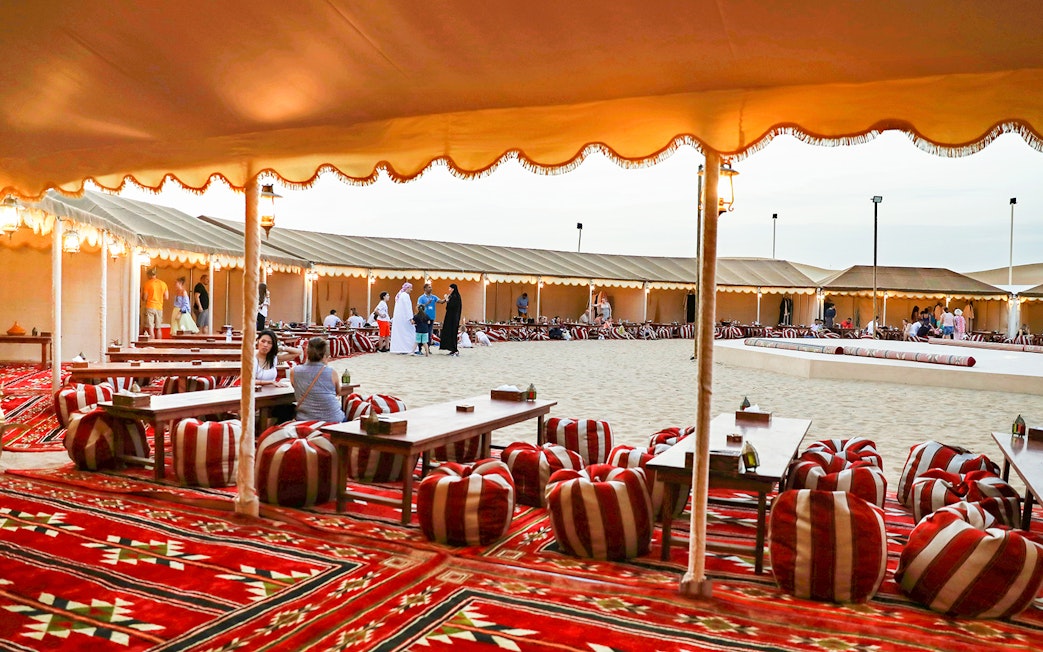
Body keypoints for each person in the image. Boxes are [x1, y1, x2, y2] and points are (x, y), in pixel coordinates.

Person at [289, 337, 345, 422]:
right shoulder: (331, 372)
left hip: (305, 419)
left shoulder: (294, 371)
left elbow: (295, 386)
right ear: (325, 355)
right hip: (333, 419)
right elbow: (338, 391)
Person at [141, 267, 168, 339]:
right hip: (159, 307)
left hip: (150, 306)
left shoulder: (147, 284)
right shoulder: (163, 284)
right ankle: (159, 344)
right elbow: (166, 297)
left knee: (151, 327)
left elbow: (145, 297)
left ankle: (152, 344)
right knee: (158, 328)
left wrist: (143, 297)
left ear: (149, 275)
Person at [390, 282, 416, 354]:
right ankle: (409, 349)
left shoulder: (399, 295)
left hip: (399, 319)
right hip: (405, 318)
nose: (411, 290)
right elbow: (408, 308)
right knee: (409, 333)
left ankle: (399, 348)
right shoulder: (405, 295)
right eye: (410, 288)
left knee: (399, 334)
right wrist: (411, 318)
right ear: (407, 288)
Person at [416, 283, 444, 352]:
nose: (431, 288)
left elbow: (440, 301)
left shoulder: (434, 297)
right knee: (422, 333)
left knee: (429, 333)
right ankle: (419, 348)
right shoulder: (421, 298)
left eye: (431, 287)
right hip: (423, 318)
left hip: (431, 317)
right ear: (425, 289)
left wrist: (446, 299)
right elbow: (418, 307)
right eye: (429, 287)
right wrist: (426, 304)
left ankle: (427, 348)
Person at [440, 284, 462, 357]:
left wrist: (447, 299)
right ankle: (451, 349)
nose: (449, 290)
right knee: (449, 333)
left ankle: (455, 349)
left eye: (450, 288)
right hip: (450, 318)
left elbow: (451, 306)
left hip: (453, 318)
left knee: (452, 333)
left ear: (453, 289)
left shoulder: (456, 297)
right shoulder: (453, 296)